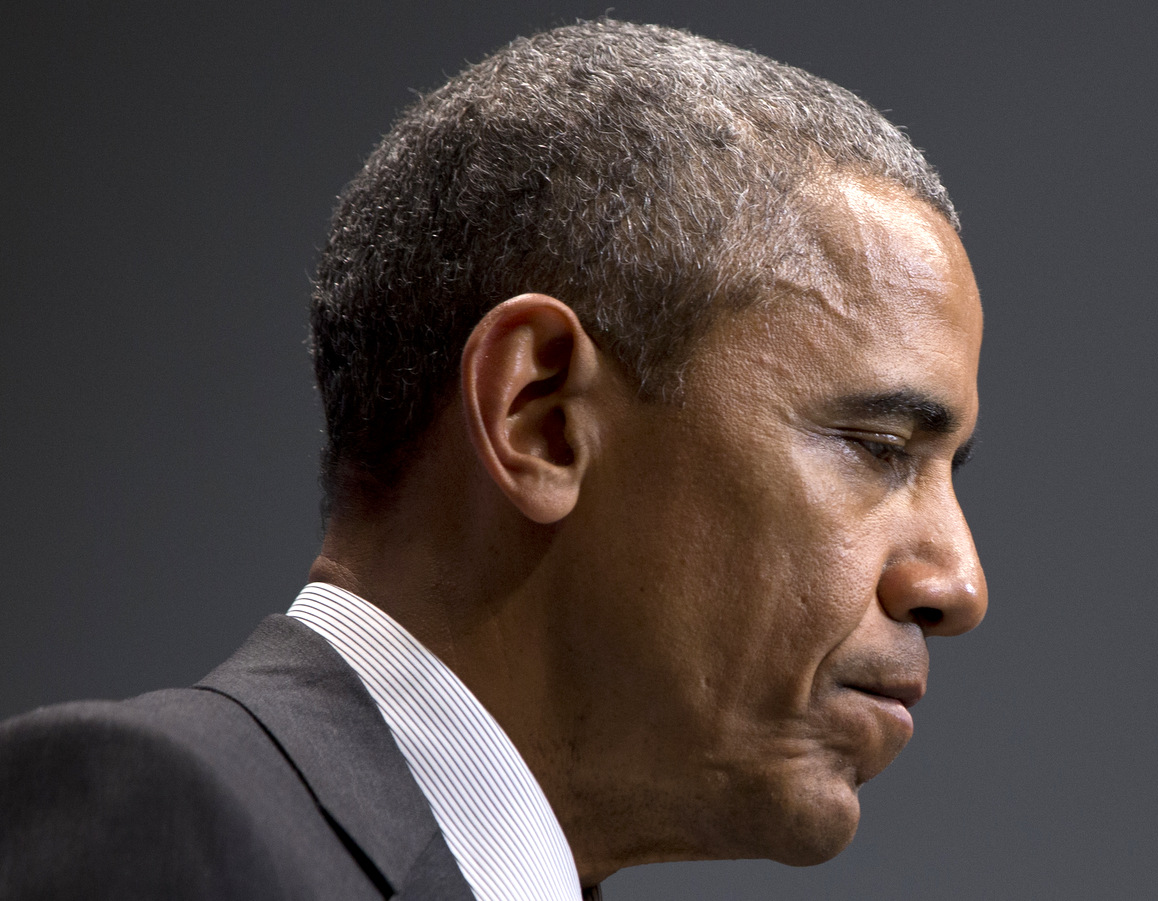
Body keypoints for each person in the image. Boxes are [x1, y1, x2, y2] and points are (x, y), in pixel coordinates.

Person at [0, 19, 986, 900]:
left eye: (950, 468)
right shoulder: (148, 824)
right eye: (880, 448)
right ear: (539, 417)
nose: (956, 582)